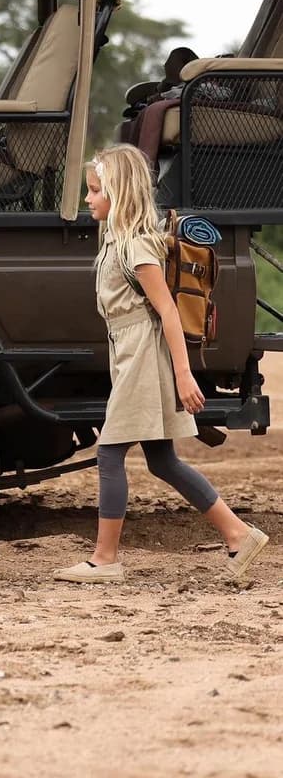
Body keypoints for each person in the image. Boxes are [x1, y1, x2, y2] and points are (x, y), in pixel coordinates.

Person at [55, 144, 268, 584]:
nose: (88, 199)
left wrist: (184, 375)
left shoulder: (136, 246)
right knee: (162, 460)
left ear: (119, 193)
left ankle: (105, 559)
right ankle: (238, 535)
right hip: (129, 350)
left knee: (111, 452)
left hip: (143, 355)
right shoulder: (115, 238)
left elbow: (168, 312)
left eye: (95, 191)